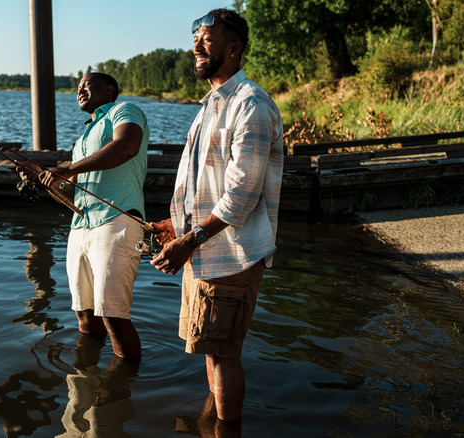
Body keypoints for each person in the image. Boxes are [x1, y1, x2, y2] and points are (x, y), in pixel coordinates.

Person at [150, 8, 284, 423]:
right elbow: (203, 184)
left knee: (224, 354)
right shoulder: (209, 106)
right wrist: (177, 225)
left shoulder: (252, 105)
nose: (196, 47)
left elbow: (241, 195)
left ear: (234, 47)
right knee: (210, 348)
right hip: (205, 251)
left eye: (206, 40)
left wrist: (189, 240)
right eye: (196, 40)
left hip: (233, 255)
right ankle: (212, 421)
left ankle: (226, 430)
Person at [17, 72, 149, 361]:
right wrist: (42, 177)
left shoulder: (124, 110)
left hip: (117, 219)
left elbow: (127, 146)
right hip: (80, 227)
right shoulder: (82, 139)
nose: (80, 91)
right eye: (77, 88)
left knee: (113, 315)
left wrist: (69, 169)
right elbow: (72, 188)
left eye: (86, 85)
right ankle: (87, 379)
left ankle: (124, 387)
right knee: (85, 315)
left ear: (109, 89)